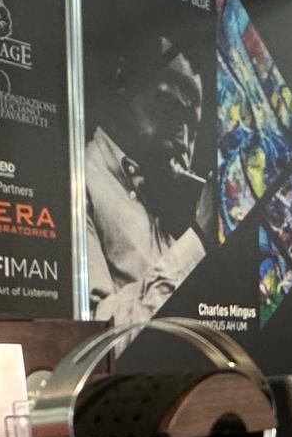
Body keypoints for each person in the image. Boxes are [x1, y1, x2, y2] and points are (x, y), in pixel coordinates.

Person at [84, 37, 214, 330]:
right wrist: (198, 237)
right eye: (172, 109)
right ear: (124, 84)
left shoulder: (167, 199)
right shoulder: (79, 185)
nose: (184, 142)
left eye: (193, 128)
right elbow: (96, 339)